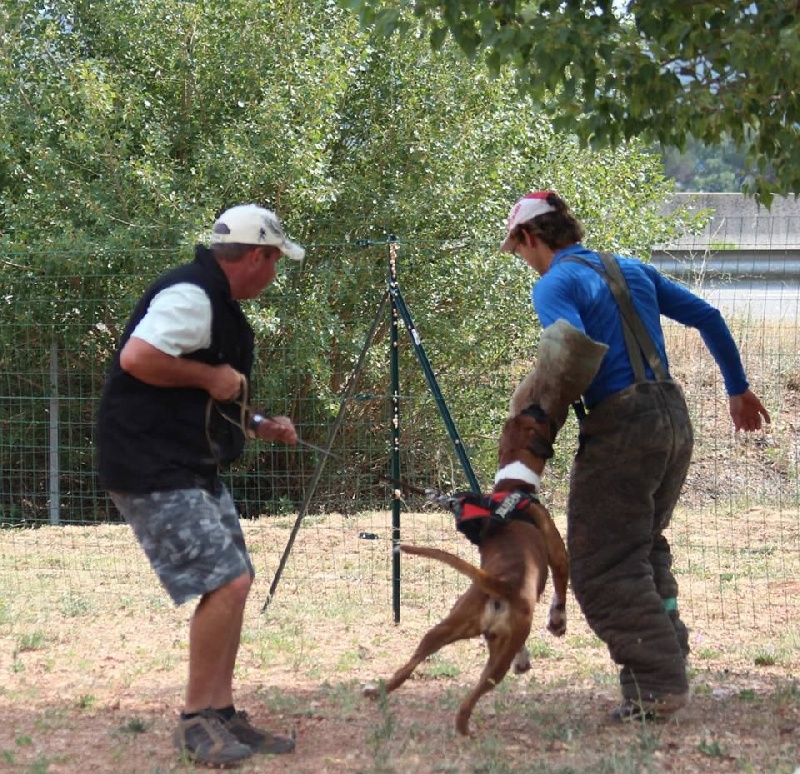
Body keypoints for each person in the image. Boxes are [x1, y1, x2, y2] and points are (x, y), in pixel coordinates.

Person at [500, 191, 770, 721]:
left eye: (519, 250)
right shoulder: (632, 270)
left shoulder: (555, 282)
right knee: (642, 549)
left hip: (621, 425)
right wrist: (737, 388)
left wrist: (530, 450)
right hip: (672, 417)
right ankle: (670, 660)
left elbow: (565, 357)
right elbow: (709, 317)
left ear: (532, 238)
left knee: (603, 569)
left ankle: (657, 686)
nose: (523, 260)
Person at [96, 204, 304, 765]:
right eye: (276, 262)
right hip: (150, 464)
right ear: (258, 256)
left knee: (234, 582)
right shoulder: (191, 296)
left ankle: (221, 714)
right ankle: (195, 721)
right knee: (228, 582)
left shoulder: (219, 304)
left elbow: (207, 391)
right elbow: (138, 358)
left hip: (188, 461)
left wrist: (259, 424)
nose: (275, 273)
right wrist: (211, 376)